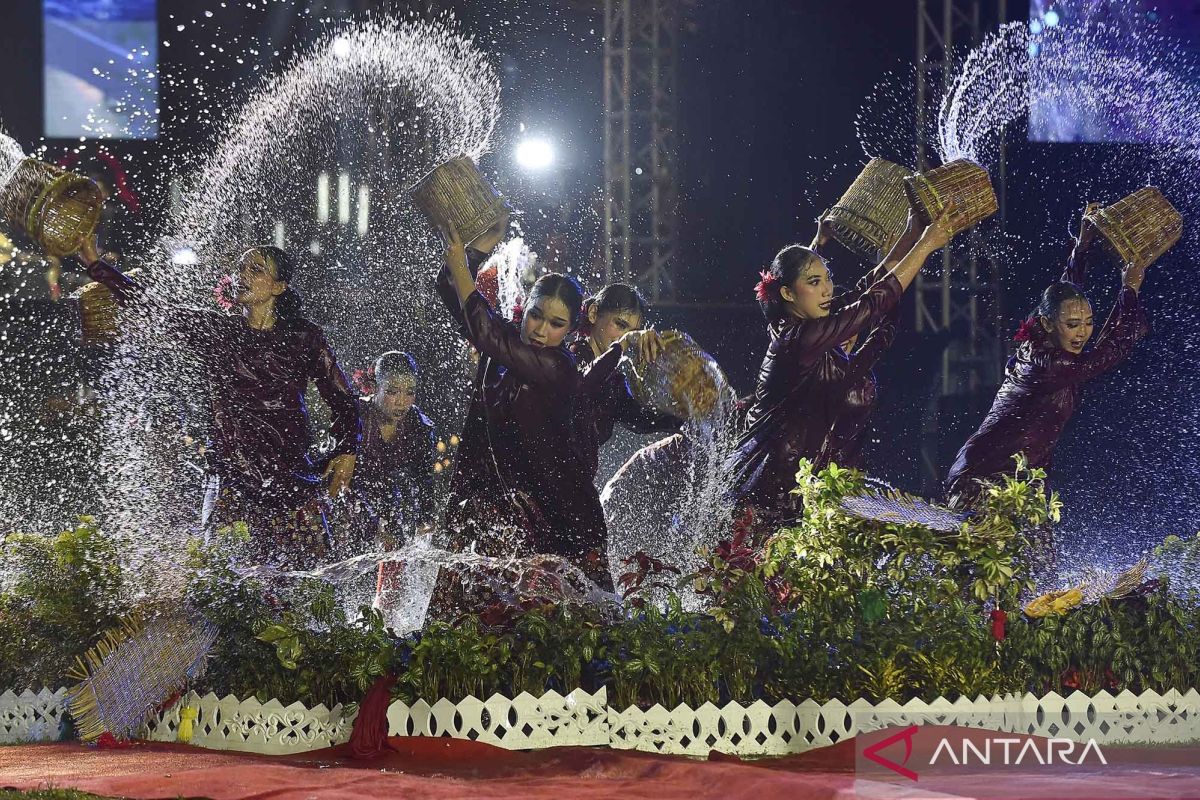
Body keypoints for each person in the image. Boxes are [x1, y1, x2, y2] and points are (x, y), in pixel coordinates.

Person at [78, 239, 360, 567]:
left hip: (291, 479)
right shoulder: (218, 332)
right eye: (241, 268)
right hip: (233, 479)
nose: (243, 275)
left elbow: (342, 397)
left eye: (256, 270)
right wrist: (96, 264)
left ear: (278, 286)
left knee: (312, 583)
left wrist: (348, 448)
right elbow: (153, 309)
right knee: (222, 586)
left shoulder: (304, 337)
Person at [433, 218, 647, 603]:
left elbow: (484, 331)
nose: (541, 330)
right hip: (487, 500)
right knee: (460, 628)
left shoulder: (558, 367)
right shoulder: (505, 342)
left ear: (570, 329)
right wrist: (478, 246)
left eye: (556, 324)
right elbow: (450, 292)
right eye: (536, 315)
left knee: (548, 631)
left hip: (547, 512)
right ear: (525, 307)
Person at [726, 204, 960, 530]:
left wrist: (912, 231)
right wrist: (926, 245)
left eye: (828, 279)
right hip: (766, 490)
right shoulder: (799, 338)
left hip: (799, 487)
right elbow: (871, 303)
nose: (827, 289)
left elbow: (866, 290)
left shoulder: (809, 324)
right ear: (787, 293)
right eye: (814, 282)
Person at [945, 204, 1151, 506]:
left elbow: (1066, 292)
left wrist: (1083, 243)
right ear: (1047, 324)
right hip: (981, 477)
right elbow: (1114, 350)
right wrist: (1129, 290)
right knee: (993, 551)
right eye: (1072, 325)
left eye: (1088, 323)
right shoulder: (1050, 363)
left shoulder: (1055, 337)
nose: (1082, 332)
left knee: (1040, 553)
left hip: (1023, 482)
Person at [570, 283, 680, 479]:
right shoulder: (568, 360)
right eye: (620, 325)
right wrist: (624, 343)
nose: (627, 336)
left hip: (574, 487)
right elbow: (582, 388)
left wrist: (686, 414)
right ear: (594, 313)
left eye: (633, 331)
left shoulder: (614, 382)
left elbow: (641, 419)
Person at [351, 351, 437, 543]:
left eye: (410, 392)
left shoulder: (419, 426)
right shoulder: (356, 415)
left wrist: (425, 517)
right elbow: (344, 478)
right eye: (392, 391)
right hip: (347, 496)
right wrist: (371, 521)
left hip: (389, 497)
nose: (401, 401)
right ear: (375, 388)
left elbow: (423, 477)